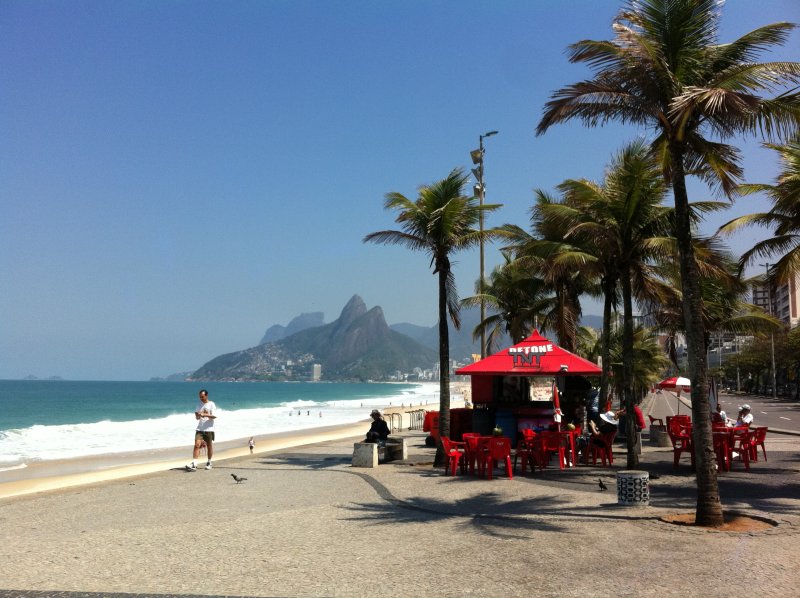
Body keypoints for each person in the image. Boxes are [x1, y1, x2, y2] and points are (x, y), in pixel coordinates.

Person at [186, 389, 217, 471]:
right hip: (200, 428)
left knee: (209, 446)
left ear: (206, 395)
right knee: (196, 445)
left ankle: (209, 462)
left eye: (202, 397)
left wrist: (204, 414)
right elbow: (197, 418)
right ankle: (194, 464)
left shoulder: (211, 404)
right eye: (200, 397)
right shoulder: (199, 404)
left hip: (209, 429)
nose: (201, 398)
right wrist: (197, 415)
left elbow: (214, 416)